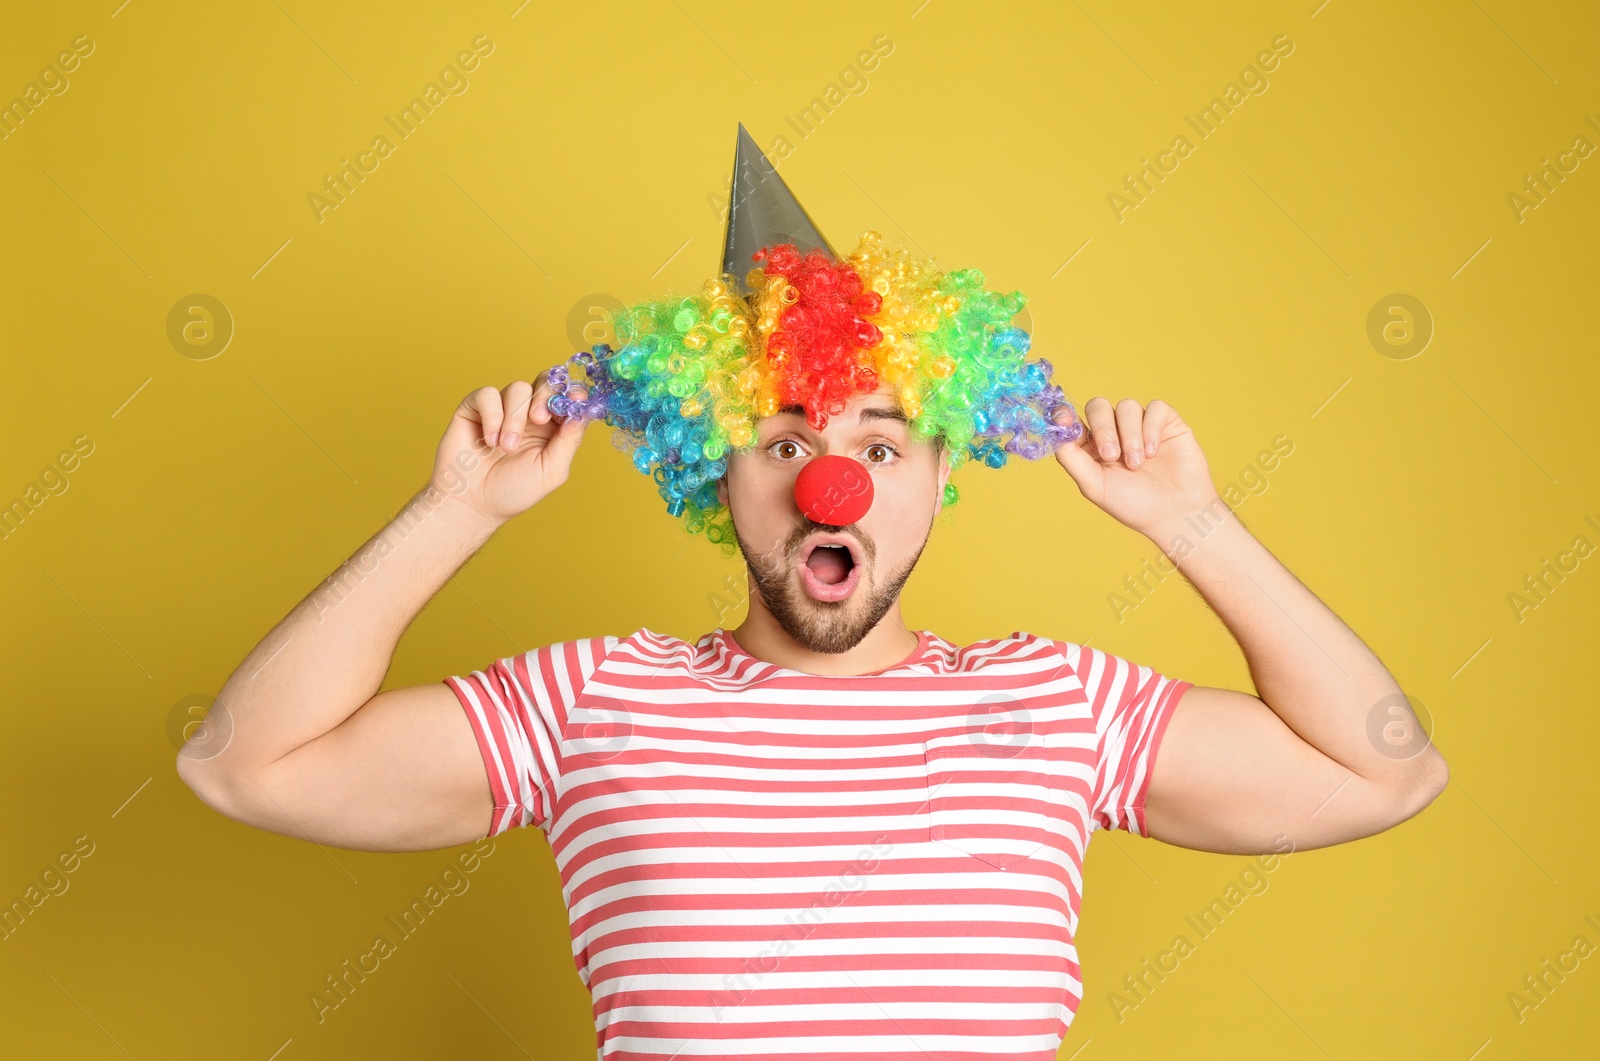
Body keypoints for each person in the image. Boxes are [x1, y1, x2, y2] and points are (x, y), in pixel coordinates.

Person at [178, 127, 1448, 1057]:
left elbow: (1382, 768)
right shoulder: (592, 700)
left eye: (880, 447)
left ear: (940, 471)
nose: (830, 485)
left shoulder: (1057, 703)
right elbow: (245, 763)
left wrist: (1191, 521)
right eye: (783, 441)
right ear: (709, 470)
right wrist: (451, 511)